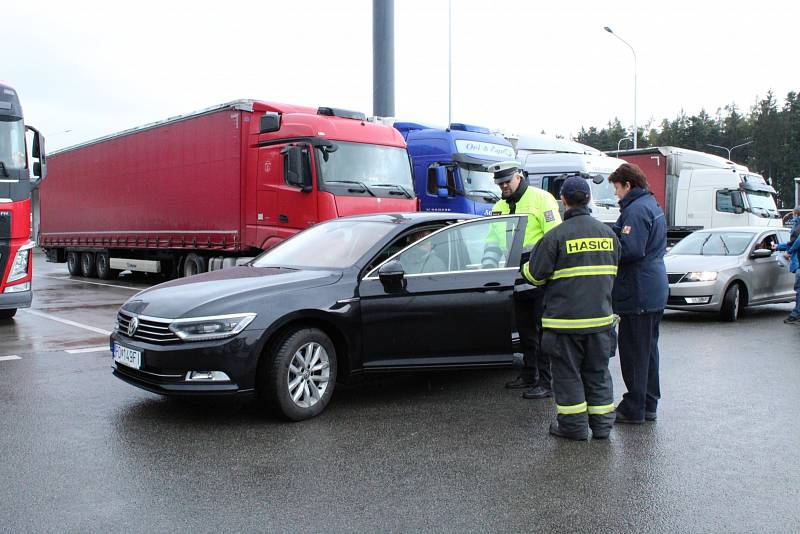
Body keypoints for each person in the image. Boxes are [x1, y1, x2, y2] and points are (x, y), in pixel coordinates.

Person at [521, 176, 621, 440]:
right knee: (598, 375)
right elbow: (614, 272)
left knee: (568, 377)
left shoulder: (556, 236)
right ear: (588, 198)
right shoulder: (609, 234)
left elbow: (536, 275)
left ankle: (573, 428)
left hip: (565, 325)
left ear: (563, 200)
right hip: (600, 322)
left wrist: (524, 267)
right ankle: (601, 428)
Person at [483, 161, 561, 399]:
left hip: (539, 280)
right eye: (500, 183)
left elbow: (553, 240)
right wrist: (488, 270)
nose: (504, 186)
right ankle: (529, 374)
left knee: (543, 332)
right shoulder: (499, 206)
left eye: (507, 181)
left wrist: (545, 273)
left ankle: (546, 382)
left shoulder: (541, 199)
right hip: (514, 280)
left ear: (518, 177)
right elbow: (493, 241)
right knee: (526, 331)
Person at [607, 163, 668, 424]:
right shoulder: (650, 205)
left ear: (628, 185)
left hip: (638, 291)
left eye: (617, 188)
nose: (616, 194)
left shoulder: (635, 210)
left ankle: (634, 408)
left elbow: (630, 250)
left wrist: (609, 241)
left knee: (634, 352)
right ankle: (648, 402)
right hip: (651, 288)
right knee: (648, 351)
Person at [776, 206, 800, 325]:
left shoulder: (797, 226)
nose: (794, 216)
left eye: (794, 214)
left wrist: (789, 252)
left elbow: (796, 242)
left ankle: (796, 314)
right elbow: (792, 243)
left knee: (799, 290)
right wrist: (777, 247)